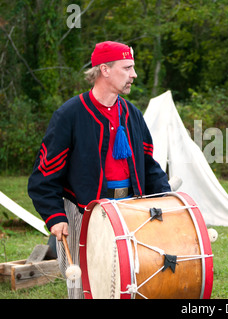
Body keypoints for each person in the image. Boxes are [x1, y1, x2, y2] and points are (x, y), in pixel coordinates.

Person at [28, 41, 171, 298]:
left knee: (128, 282)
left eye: (133, 68)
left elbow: (149, 165)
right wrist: (54, 215)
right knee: (83, 287)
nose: (133, 75)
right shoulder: (70, 115)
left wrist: (166, 197)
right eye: (127, 68)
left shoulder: (132, 114)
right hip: (82, 212)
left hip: (129, 210)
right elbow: (44, 175)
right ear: (104, 70)